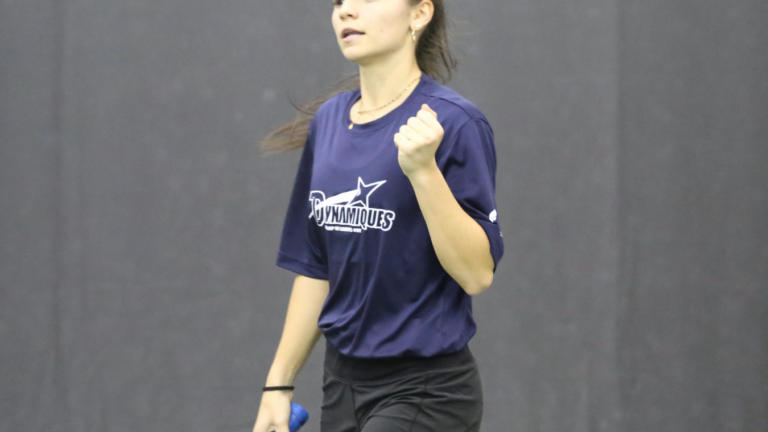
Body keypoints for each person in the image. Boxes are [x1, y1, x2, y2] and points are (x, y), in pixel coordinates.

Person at [253, 0, 503, 431]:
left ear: (419, 14)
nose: (346, 11)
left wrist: (423, 171)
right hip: (341, 388)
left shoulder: (454, 122)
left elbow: (476, 274)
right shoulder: (329, 121)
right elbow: (316, 269)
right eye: (338, 1)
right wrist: (278, 385)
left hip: (427, 392)